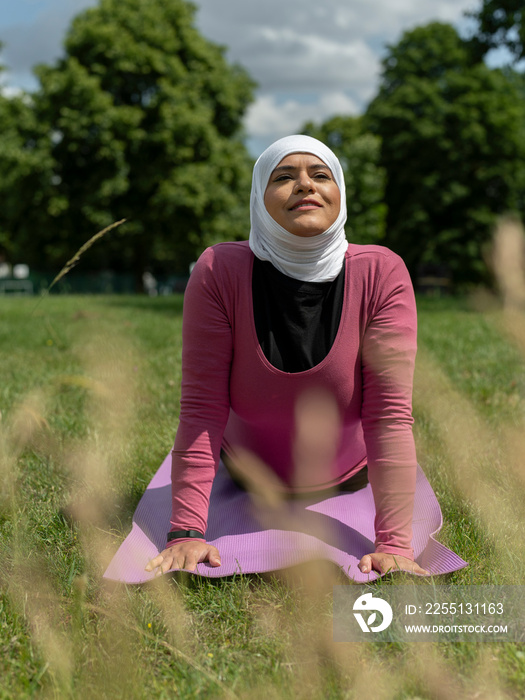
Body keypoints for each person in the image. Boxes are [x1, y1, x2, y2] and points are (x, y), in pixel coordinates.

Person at [146, 134, 428, 578]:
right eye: (284, 177)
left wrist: (394, 543)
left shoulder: (381, 272)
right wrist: (185, 532)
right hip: (247, 478)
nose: (305, 185)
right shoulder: (220, 271)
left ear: (340, 195)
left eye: (321, 175)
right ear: (259, 200)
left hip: (350, 476)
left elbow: (389, 414)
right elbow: (202, 408)